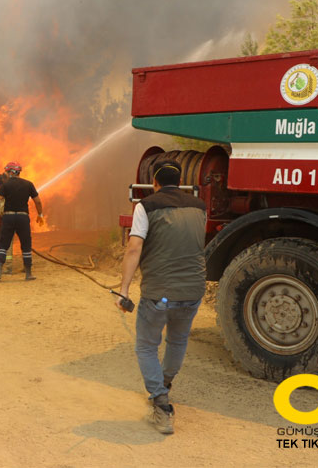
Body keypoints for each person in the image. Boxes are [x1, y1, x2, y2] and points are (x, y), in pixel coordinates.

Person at [115, 159, 206, 435]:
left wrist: (124, 290)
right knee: (177, 339)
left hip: (160, 293)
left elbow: (134, 249)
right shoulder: (199, 207)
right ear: (178, 182)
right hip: (193, 291)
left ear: (155, 182)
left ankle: (161, 404)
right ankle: (165, 385)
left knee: (146, 346)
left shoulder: (147, 205)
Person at [0, 161, 44, 281]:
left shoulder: (5, 185)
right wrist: (40, 214)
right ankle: (28, 274)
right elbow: (38, 201)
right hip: (23, 217)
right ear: (18, 172)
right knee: (26, 244)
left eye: (7, 172)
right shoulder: (28, 184)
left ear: (10, 172)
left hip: (8, 217)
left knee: (3, 244)